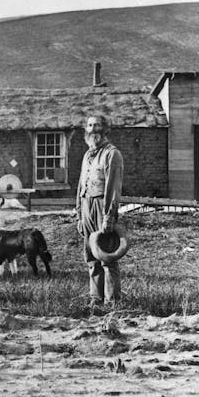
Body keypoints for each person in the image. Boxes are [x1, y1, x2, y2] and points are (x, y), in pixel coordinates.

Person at [76, 115, 124, 309]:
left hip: (102, 207)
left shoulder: (112, 154)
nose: (92, 129)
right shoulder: (87, 155)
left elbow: (113, 188)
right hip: (86, 206)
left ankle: (112, 303)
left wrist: (108, 217)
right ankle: (96, 300)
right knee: (91, 256)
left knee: (107, 255)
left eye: (97, 125)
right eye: (89, 125)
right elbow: (80, 186)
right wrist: (79, 215)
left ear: (105, 129)